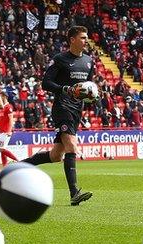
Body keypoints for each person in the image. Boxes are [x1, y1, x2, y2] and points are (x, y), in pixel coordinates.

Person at [21, 25, 94, 206]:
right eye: (83, 38)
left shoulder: (88, 61)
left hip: (77, 109)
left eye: (86, 38)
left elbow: (88, 86)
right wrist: (65, 89)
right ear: (72, 39)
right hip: (62, 107)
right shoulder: (60, 59)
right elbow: (46, 83)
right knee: (72, 147)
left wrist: (92, 96)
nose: (86, 41)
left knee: (55, 156)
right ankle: (74, 192)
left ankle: (18, 166)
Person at [0, 94, 18, 166]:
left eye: (1, 96)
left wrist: (9, 130)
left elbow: (11, 119)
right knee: (1, 149)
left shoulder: (8, 107)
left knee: (2, 149)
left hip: (6, 131)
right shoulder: (1, 107)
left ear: (5, 97)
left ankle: (17, 160)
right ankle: (5, 165)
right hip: (0, 131)